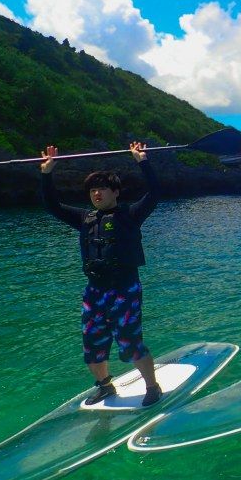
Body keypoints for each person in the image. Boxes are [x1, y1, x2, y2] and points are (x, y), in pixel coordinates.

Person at [40, 142, 162, 406]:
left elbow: (155, 193)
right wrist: (47, 173)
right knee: (93, 345)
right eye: (93, 190)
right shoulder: (85, 219)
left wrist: (143, 162)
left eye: (102, 188)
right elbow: (53, 206)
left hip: (124, 288)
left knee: (130, 342)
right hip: (94, 291)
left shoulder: (130, 214)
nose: (96, 193)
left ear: (115, 192)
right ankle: (105, 386)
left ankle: (152, 386)